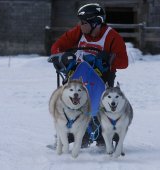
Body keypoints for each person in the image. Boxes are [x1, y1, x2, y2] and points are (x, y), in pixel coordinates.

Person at [50, 3, 129, 147]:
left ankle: (102, 137)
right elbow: (57, 46)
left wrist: (110, 59)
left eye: (84, 22)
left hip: (102, 78)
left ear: (96, 22)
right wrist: (61, 56)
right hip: (78, 77)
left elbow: (124, 62)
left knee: (97, 104)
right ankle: (76, 136)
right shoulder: (78, 32)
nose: (80, 25)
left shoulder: (112, 37)